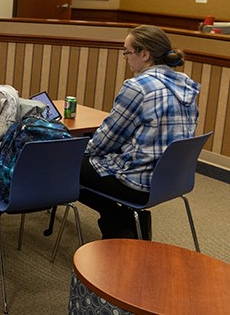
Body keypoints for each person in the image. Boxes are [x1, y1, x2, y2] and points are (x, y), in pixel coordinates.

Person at [79, 25, 200, 240]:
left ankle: (119, 222)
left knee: (64, 168)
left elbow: (105, 141)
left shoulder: (138, 87)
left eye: (127, 51)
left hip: (139, 181)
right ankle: (125, 222)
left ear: (144, 54)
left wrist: (75, 150)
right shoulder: (187, 86)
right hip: (173, 179)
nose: (125, 57)